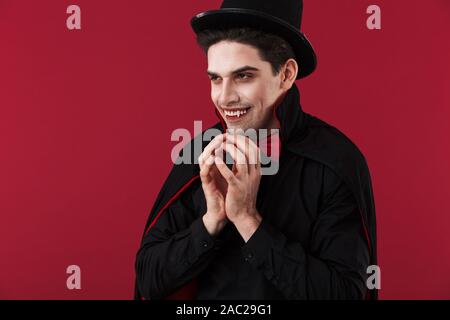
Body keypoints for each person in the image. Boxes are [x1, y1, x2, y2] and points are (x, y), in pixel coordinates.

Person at [134, 0, 378, 300]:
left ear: (286, 75)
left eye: (243, 76)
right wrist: (212, 221)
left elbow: (345, 294)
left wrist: (249, 220)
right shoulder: (198, 152)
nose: (224, 98)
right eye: (215, 79)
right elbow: (147, 280)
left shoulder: (337, 161)